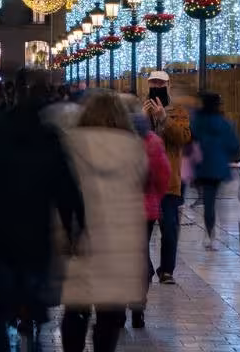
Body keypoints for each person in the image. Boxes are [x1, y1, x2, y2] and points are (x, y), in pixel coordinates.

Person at [0, 67, 83, 352]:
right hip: (35, 228)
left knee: (2, 297)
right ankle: (33, 329)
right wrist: (74, 225)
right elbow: (65, 186)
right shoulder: (48, 135)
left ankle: (6, 330)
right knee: (33, 285)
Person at [60, 93, 147, 352]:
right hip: (119, 240)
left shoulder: (69, 144)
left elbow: (62, 191)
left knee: (76, 310)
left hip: (81, 237)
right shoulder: (135, 148)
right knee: (110, 316)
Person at [128, 101, 170, 330]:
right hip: (146, 210)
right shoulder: (153, 141)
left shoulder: (117, 142)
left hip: (120, 208)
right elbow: (163, 176)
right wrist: (155, 196)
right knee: (141, 255)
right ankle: (137, 307)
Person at [189, 91, 239, 252]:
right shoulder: (224, 123)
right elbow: (234, 145)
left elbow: (190, 141)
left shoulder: (197, 122)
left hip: (203, 166)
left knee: (209, 201)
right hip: (219, 167)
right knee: (218, 201)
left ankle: (210, 233)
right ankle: (219, 232)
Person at [156, 94, 192, 281]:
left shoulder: (178, 113)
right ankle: (143, 268)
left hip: (169, 182)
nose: (156, 87)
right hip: (145, 182)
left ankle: (167, 270)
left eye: (160, 84)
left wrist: (164, 118)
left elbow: (183, 138)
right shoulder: (140, 109)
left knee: (170, 229)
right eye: (153, 83)